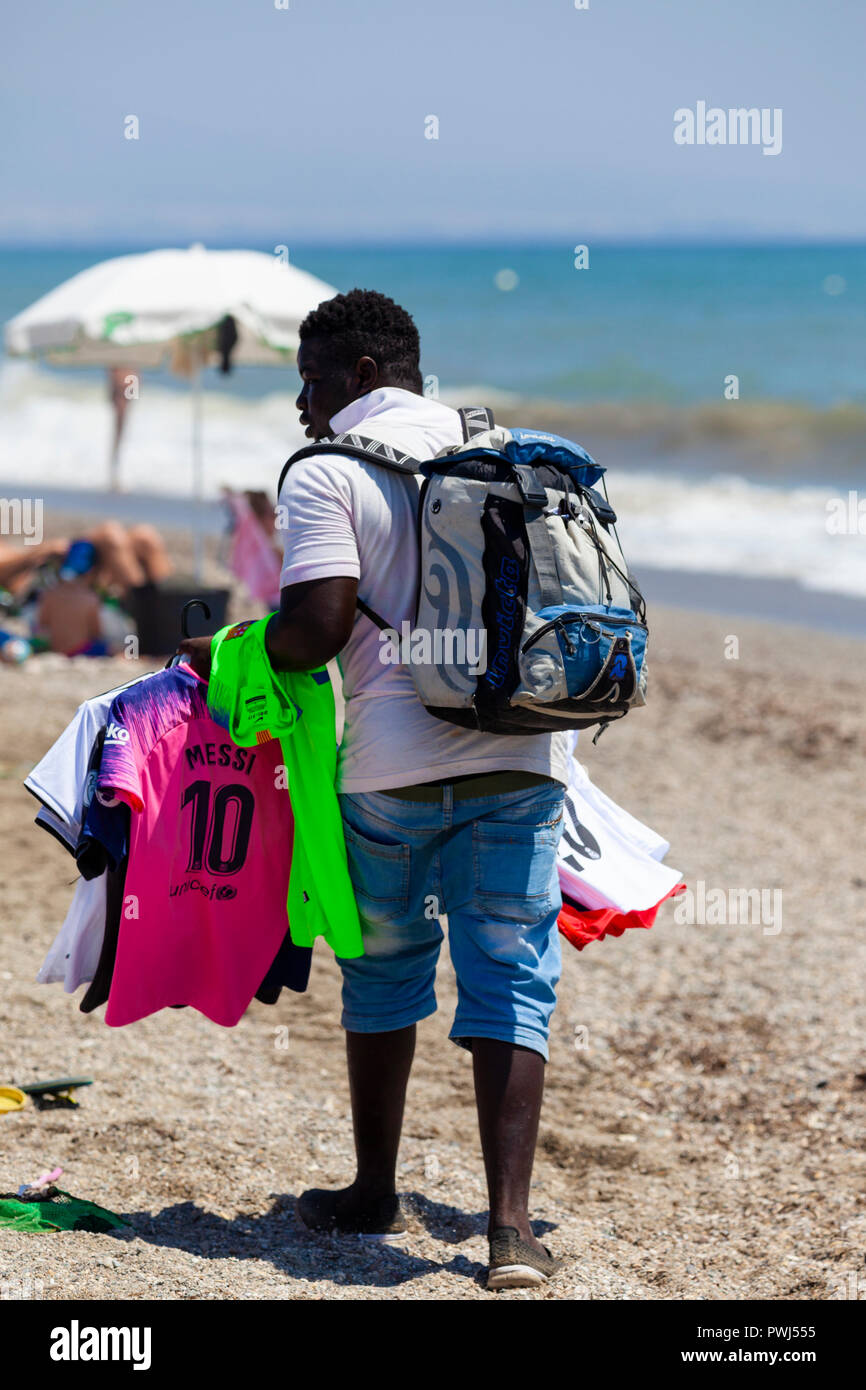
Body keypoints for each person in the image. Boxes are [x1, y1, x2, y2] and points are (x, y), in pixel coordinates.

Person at [179, 290, 570, 1289]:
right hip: (523, 755)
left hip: (392, 769)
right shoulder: (498, 447)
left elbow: (311, 630)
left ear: (357, 373)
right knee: (511, 982)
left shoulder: (324, 472)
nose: (302, 406)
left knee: (387, 975)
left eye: (309, 382)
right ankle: (511, 1230)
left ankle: (371, 1190)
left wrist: (226, 646)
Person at [0, 521, 172, 657]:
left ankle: (171, 619)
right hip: (40, 601)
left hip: (68, 585)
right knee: (109, 535)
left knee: (144, 538)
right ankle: (155, 628)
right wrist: (40, 551)